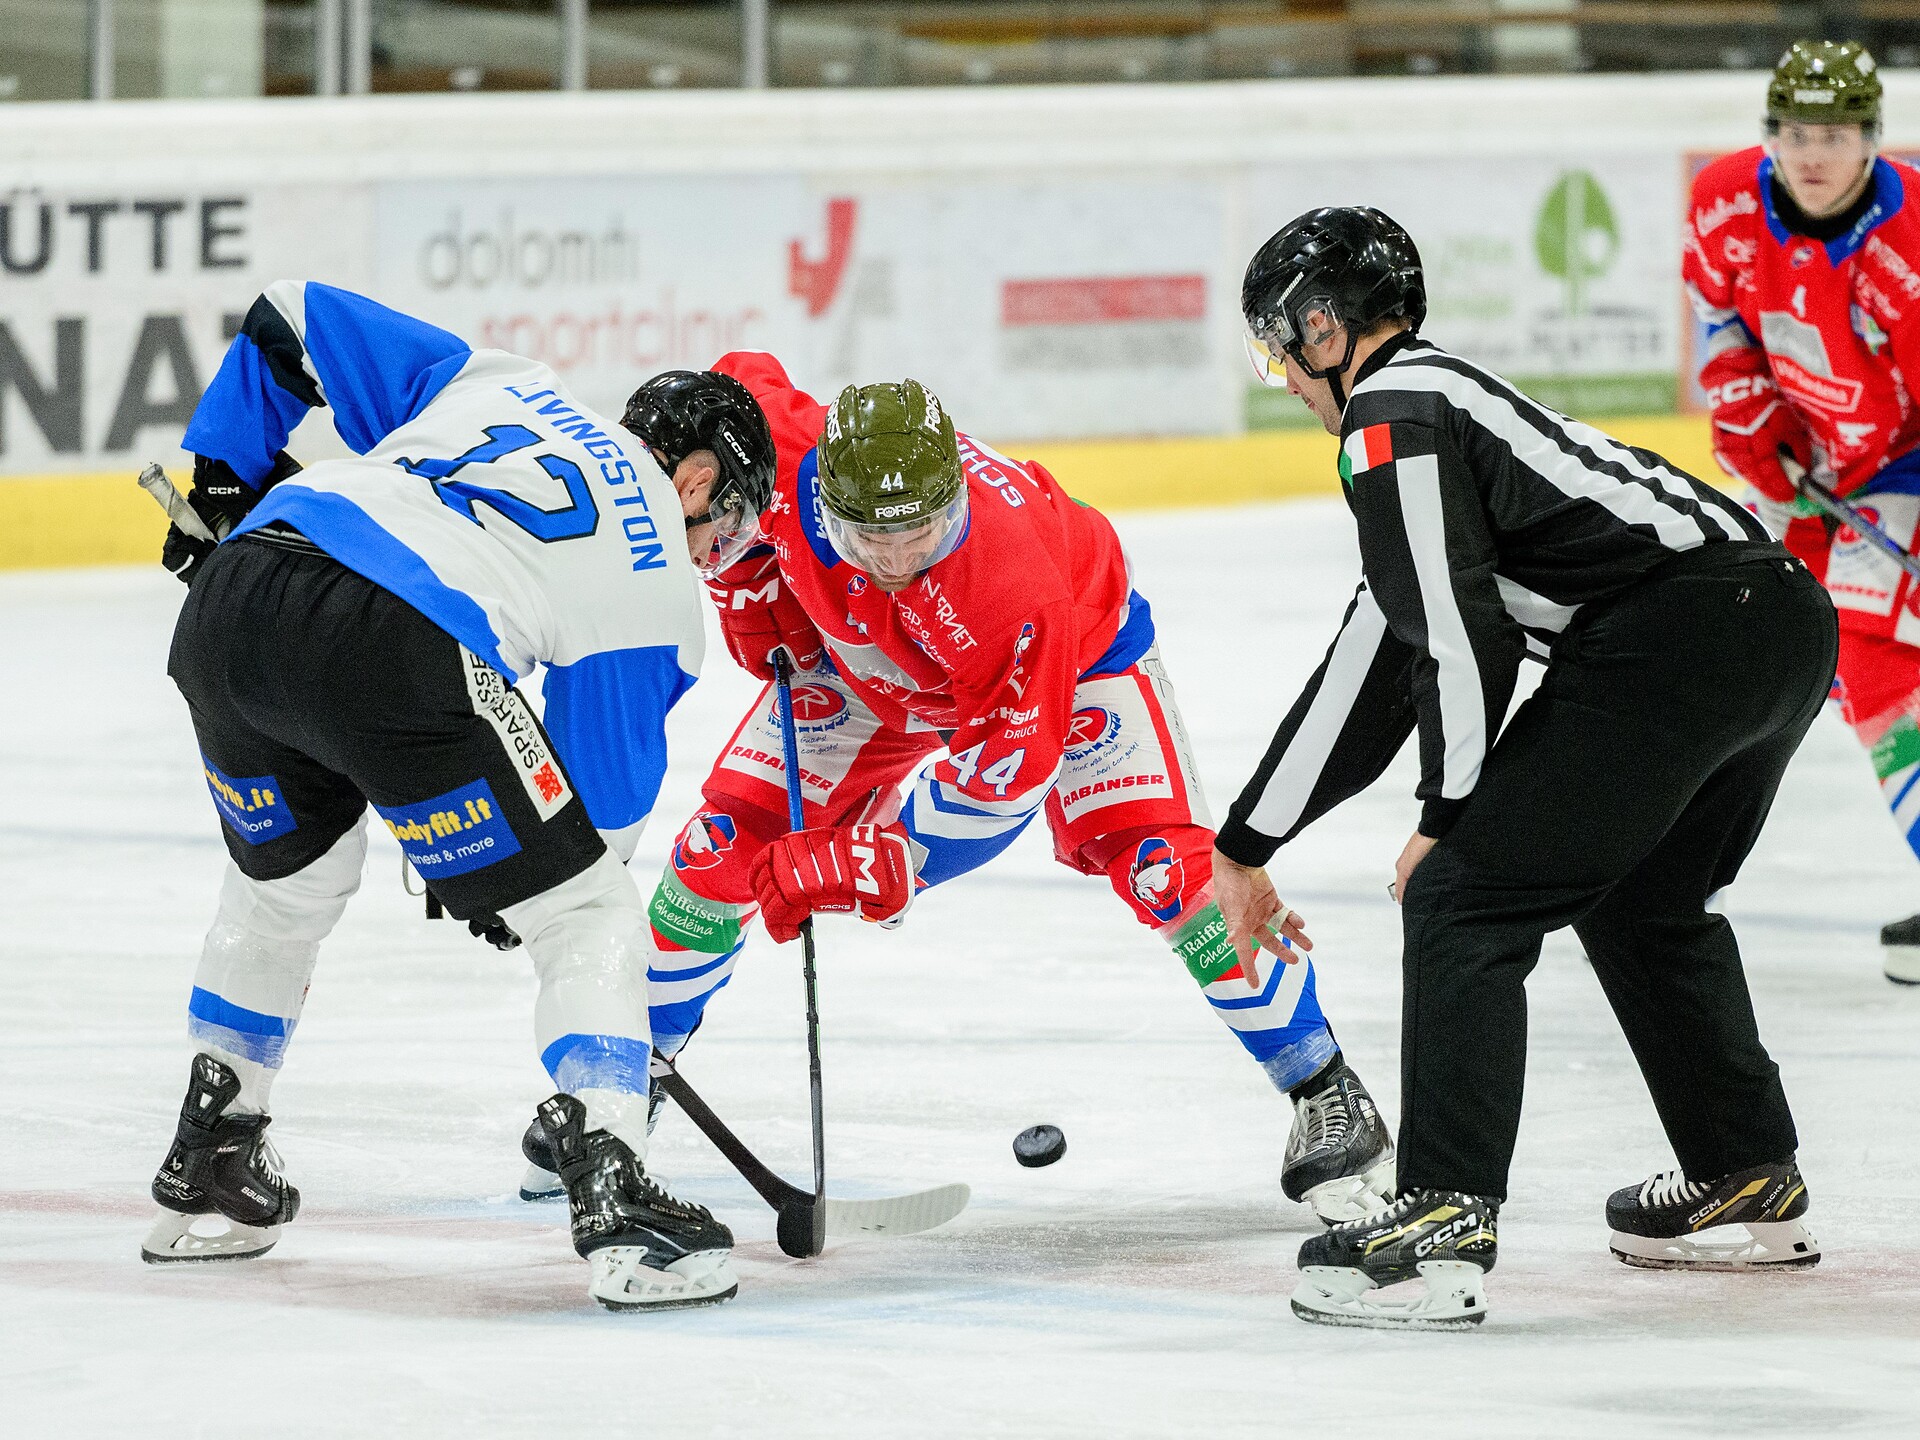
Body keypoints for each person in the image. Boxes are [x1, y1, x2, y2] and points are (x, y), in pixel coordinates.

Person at [524, 354, 1398, 1224]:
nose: (901, 559)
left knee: (1171, 873)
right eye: (874, 540)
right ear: (821, 499)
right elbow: (739, 380)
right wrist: (749, 571)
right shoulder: (765, 449)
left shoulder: (1012, 592)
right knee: (720, 846)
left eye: (925, 534)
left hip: (1075, 663)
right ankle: (624, 1084)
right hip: (865, 660)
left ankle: (1326, 1088)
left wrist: (864, 861)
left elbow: (996, 791)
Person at [1217, 207, 1836, 1329]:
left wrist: (1445, 814)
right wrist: (1245, 846)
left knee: (1460, 900)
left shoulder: (1390, 416)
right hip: (1773, 621)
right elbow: (1376, 658)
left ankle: (1442, 1223)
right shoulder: (1435, 408)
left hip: (1680, 635)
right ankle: (1748, 1172)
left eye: (1279, 346)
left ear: (1321, 328)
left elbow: (1460, 643)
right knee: (1647, 901)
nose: (1282, 377)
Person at [143, 279, 774, 1312]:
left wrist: (224, 482)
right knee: (586, 916)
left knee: (282, 893)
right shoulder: (657, 561)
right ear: (698, 477)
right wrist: (505, 876)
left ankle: (213, 1156)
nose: (719, 556)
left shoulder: (505, 387)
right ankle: (616, 1191)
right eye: (731, 528)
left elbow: (287, 320)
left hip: (234, 599)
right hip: (395, 639)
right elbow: (598, 824)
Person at [1685, 38, 1920, 984]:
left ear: (1869, 139)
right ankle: (1674, 871)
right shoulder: (1726, 200)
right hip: (1800, 466)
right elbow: (1727, 329)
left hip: (1902, 465)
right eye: (1792, 132)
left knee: (1868, 662)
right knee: (1755, 646)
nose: (1810, 153)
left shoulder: (1912, 243)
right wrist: (1750, 428)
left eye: (1832, 133)